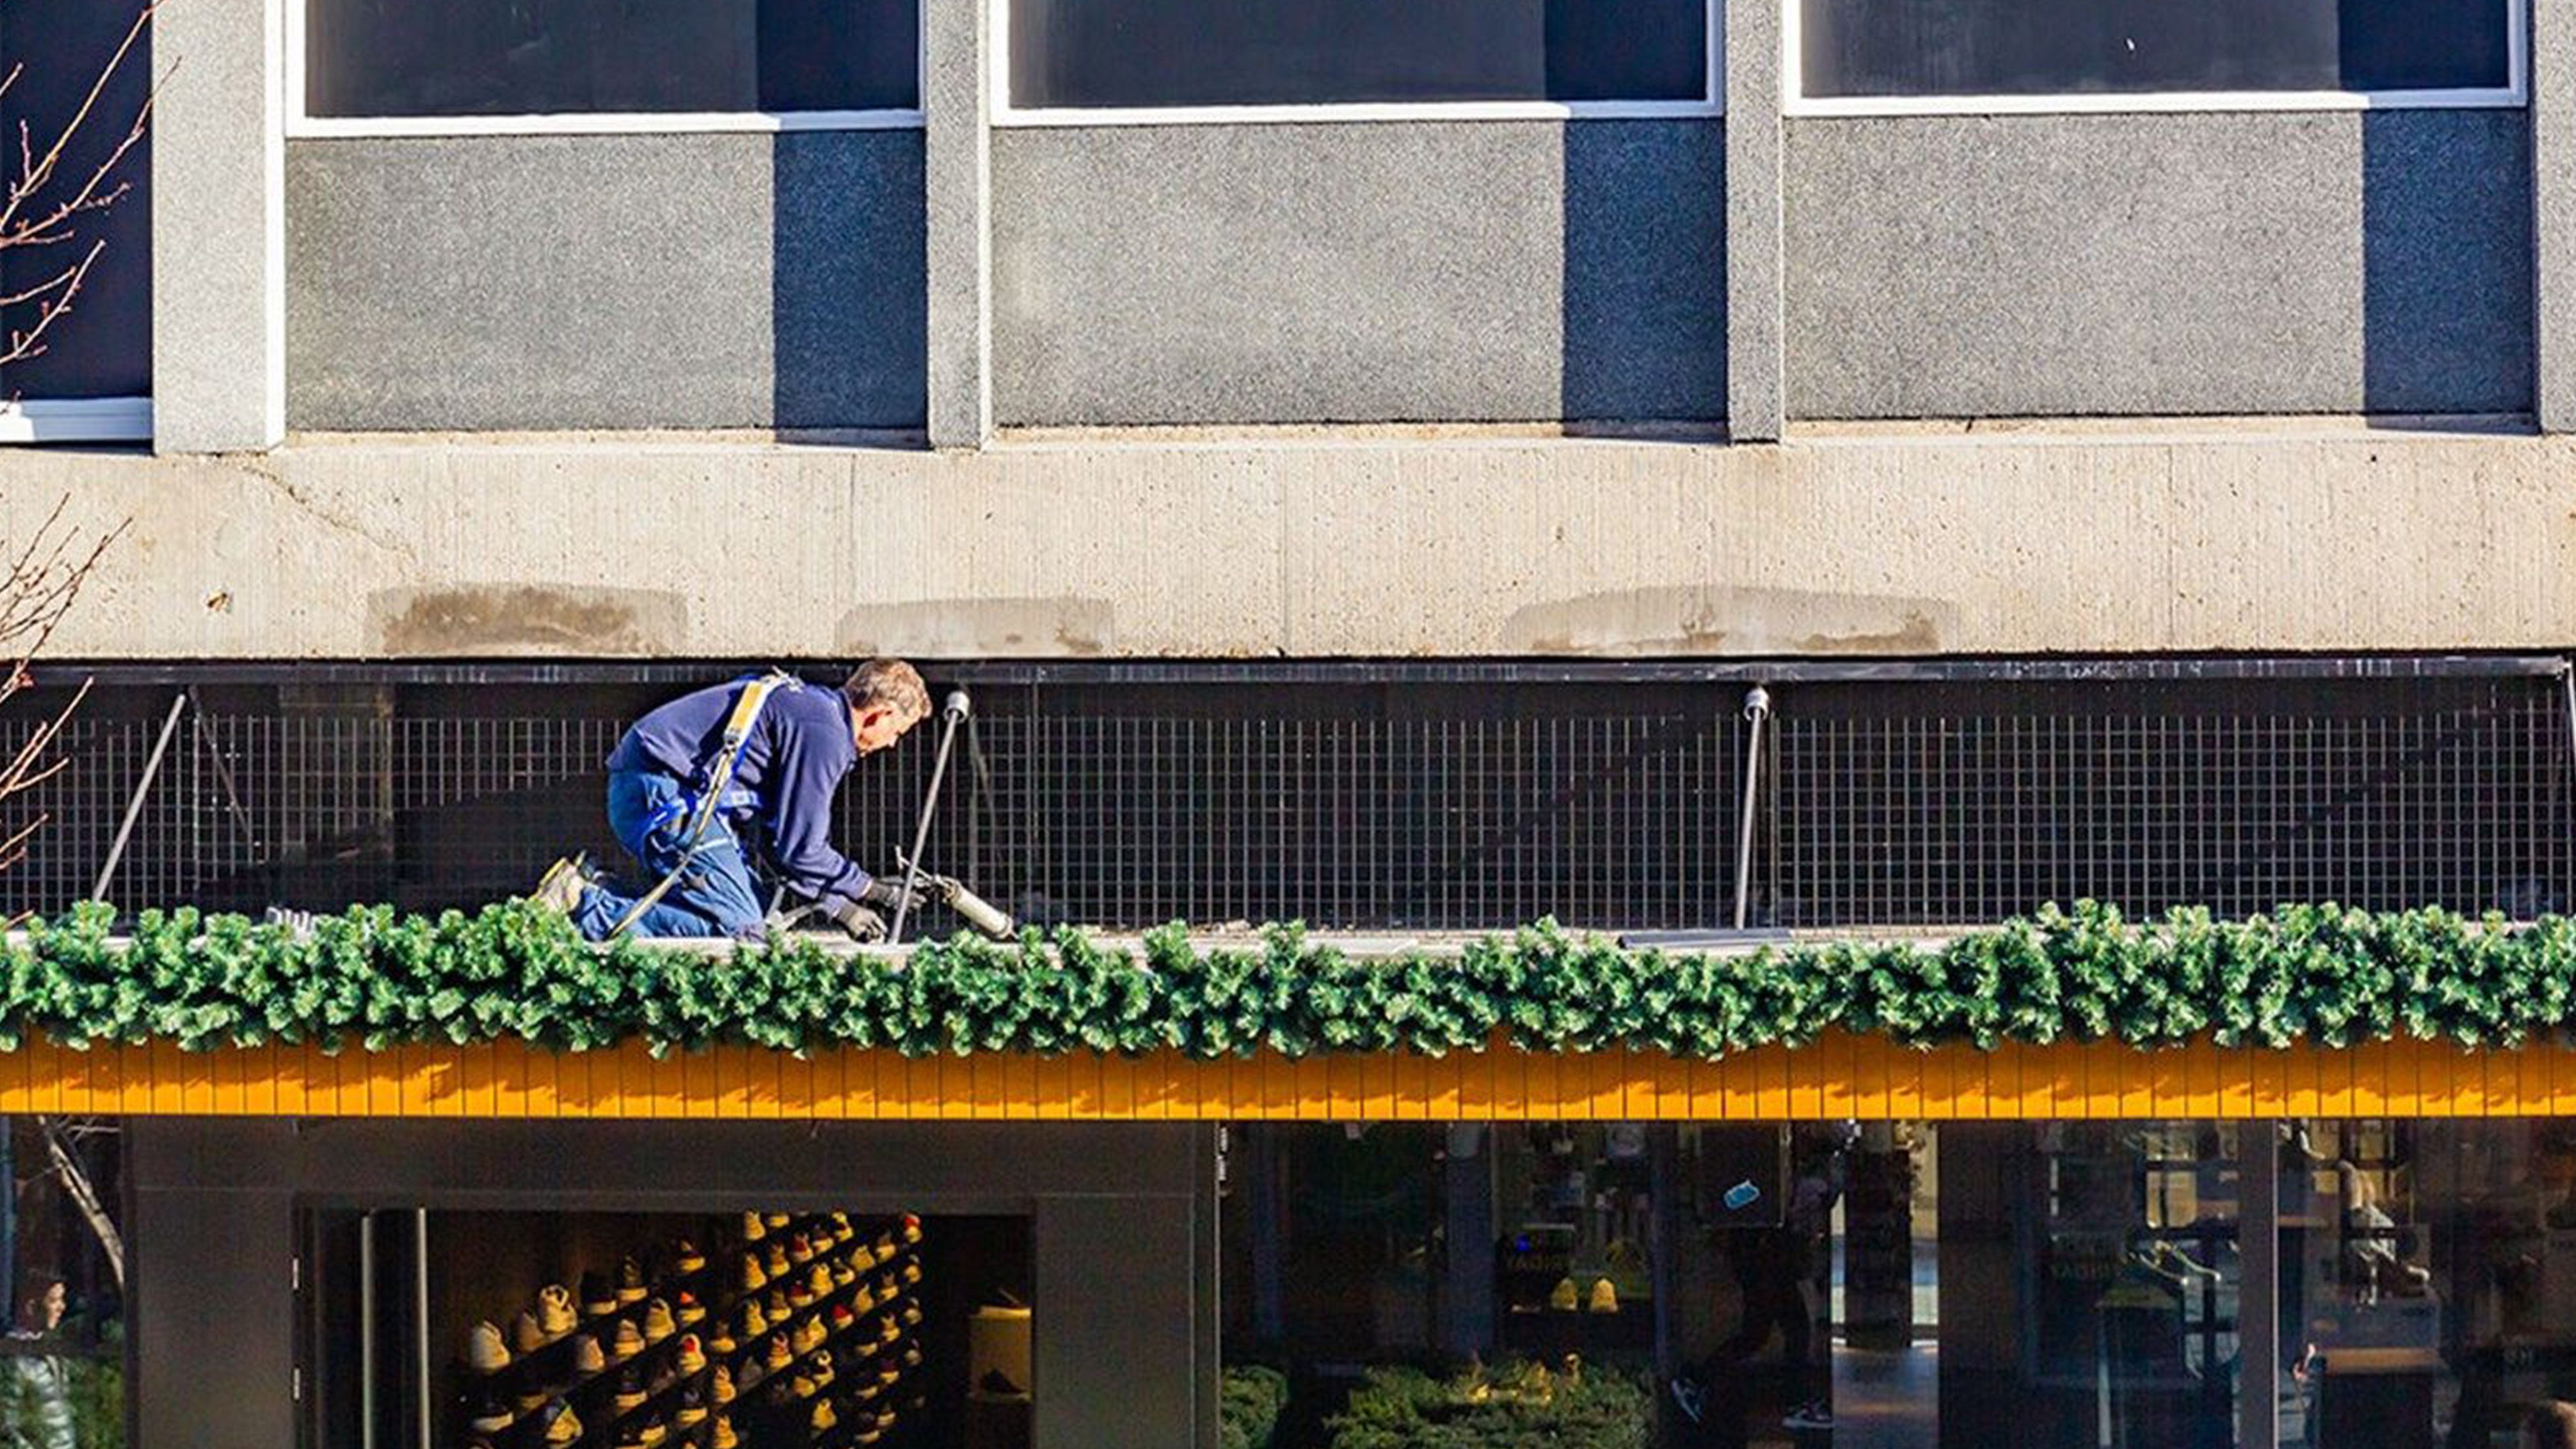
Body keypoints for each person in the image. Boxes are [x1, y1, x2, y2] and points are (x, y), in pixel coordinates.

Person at [533, 660, 931, 941]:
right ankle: (585, 905)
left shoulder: (813, 711)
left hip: (652, 790)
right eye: (899, 731)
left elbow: (778, 845)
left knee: (755, 905)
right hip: (665, 795)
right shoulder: (824, 733)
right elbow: (802, 849)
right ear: (880, 714)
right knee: (741, 932)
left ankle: (600, 887)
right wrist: (871, 890)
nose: (893, 744)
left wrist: (840, 907)